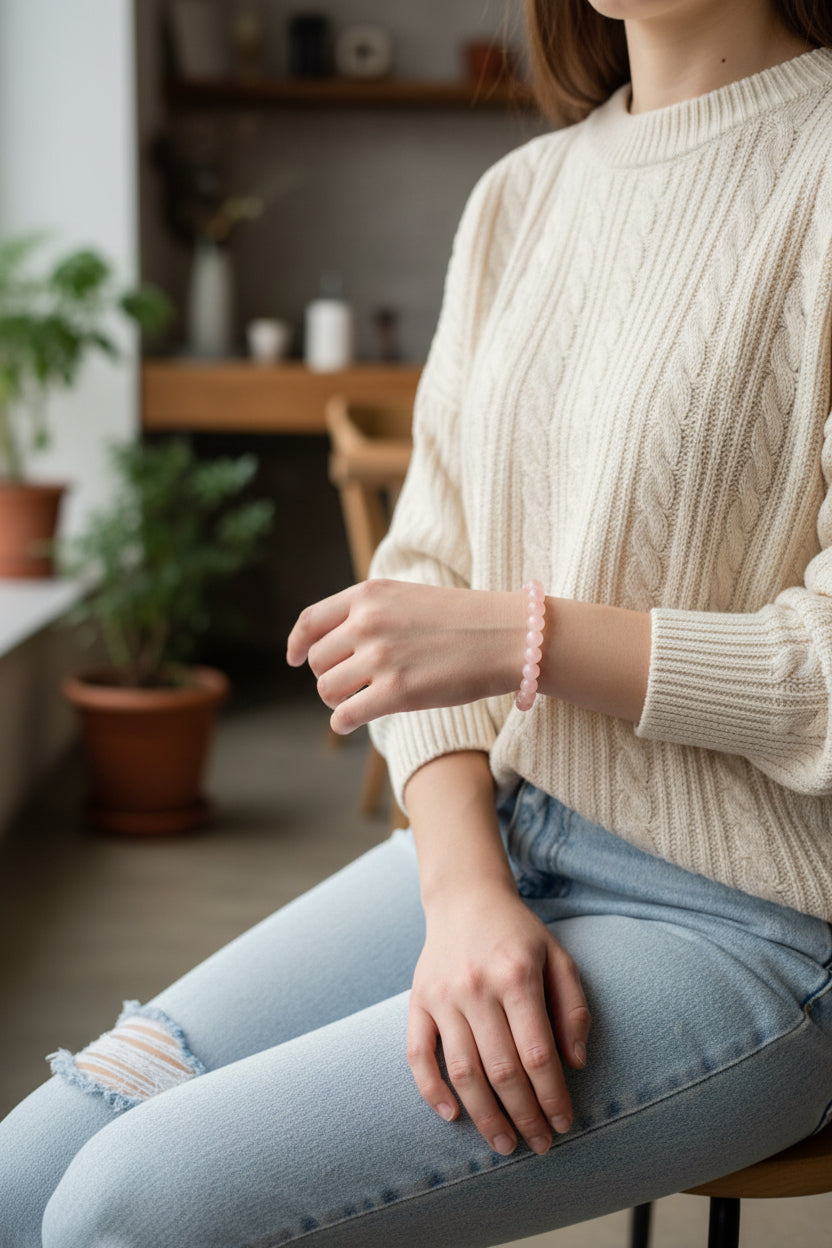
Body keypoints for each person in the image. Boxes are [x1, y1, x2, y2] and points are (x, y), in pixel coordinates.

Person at [4, 1, 832, 1244]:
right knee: (27, 1173)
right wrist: (463, 892)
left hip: (758, 911)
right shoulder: (519, 197)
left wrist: (522, 635)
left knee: (133, 1209)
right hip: (505, 830)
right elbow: (425, 561)